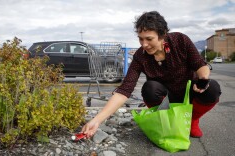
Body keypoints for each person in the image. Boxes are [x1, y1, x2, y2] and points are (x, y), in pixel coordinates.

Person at [81, 11, 221, 138]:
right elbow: (124, 90)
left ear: (162, 35)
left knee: (212, 88)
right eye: (140, 39)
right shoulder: (140, 56)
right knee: (149, 88)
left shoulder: (180, 41)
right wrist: (97, 120)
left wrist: (203, 79)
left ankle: (191, 120)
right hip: (165, 98)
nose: (144, 44)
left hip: (188, 94)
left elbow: (200, 64)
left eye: (149, 39)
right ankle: (166, 120)